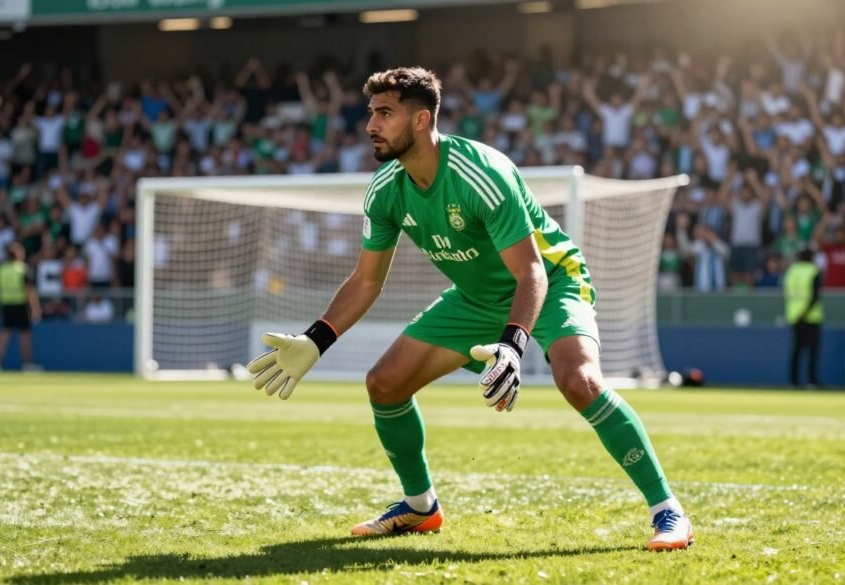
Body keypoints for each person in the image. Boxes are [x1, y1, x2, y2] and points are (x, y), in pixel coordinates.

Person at [246, 67, 692, 551]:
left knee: (579, 381)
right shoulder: (385, 190)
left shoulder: (481, 173)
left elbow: (532, 273)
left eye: (385, 113)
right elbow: (367, 280)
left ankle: (667, 511)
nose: (370, 125)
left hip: (551, 280)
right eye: (371, 113)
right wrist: (317, 338)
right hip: (477, 297)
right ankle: (420, 507)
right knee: (384, 384)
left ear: (420, 120)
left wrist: (512, 345)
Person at [0, 242, 42, 371]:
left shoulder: (1, 269)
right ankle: (27, 363)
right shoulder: (22, 269)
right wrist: (35, 308)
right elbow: (29, 290)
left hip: (6, 304)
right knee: (24, 335)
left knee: (4, 334)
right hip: (20, 304)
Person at [783, 247, 822, 388]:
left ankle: (793, 381)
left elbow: (787, 291)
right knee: (812, 352)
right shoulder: (813, 271)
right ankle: (811, 381)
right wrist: (805, 312)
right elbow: (815, 296)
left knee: (796, 351)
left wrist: (797, 313)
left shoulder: (791, 271)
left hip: (794, 316)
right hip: (811, 317)